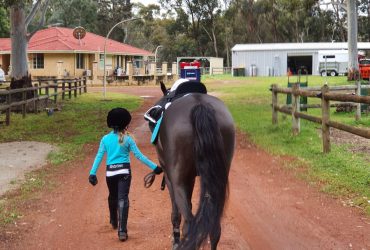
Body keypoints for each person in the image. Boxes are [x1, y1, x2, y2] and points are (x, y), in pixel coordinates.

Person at [88, 107, 163, 242]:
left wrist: (92, 173)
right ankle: (122, 231)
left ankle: (113, 220)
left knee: (112, 196)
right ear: (125, 124)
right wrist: (155, 167)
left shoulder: (105, 139)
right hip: (124, 173)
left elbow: (99, 156)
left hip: (110, 173)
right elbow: (139, 156)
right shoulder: (127, 139)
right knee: (123, 198)